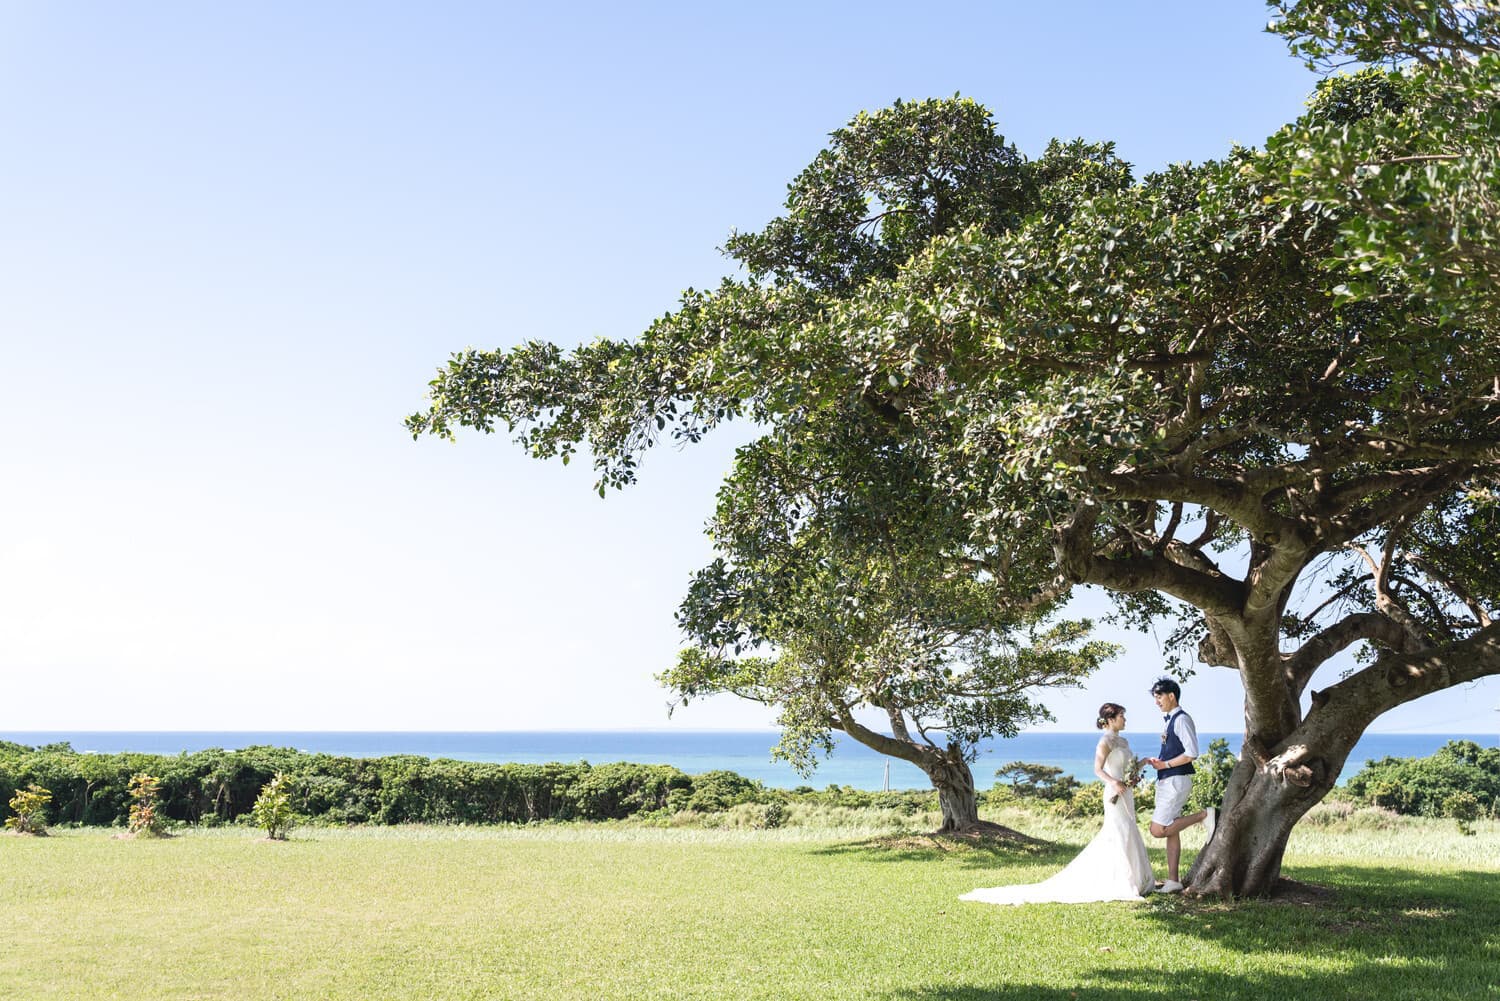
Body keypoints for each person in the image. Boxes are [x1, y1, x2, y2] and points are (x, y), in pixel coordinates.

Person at [961, 703, 1153, 905]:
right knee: (1118, 831)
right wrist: (1114, 782)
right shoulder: (1105, 742)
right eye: (1122, 716)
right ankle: (1122, 880)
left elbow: (1128, 767)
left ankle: (1136, 879)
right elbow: (1098, 769)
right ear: (1111, 719)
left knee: (1129, 829)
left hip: (1126, 792)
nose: (1125, 719)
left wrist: (1143, 764)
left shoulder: (1123, 741)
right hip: (1114, 793)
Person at [1142, 677, 1215, 893]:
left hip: (1176, 781)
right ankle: (1173, 881)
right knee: (1171, 829)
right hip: (1168, 780)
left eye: (1159, 697)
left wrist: (1165, 764)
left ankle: (1204, 815)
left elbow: (1192, 753)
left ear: (1171, 696)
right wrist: (1160, 762)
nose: (1156, 701)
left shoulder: (1182, 719)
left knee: (1157, 830)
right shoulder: (1170, 719)